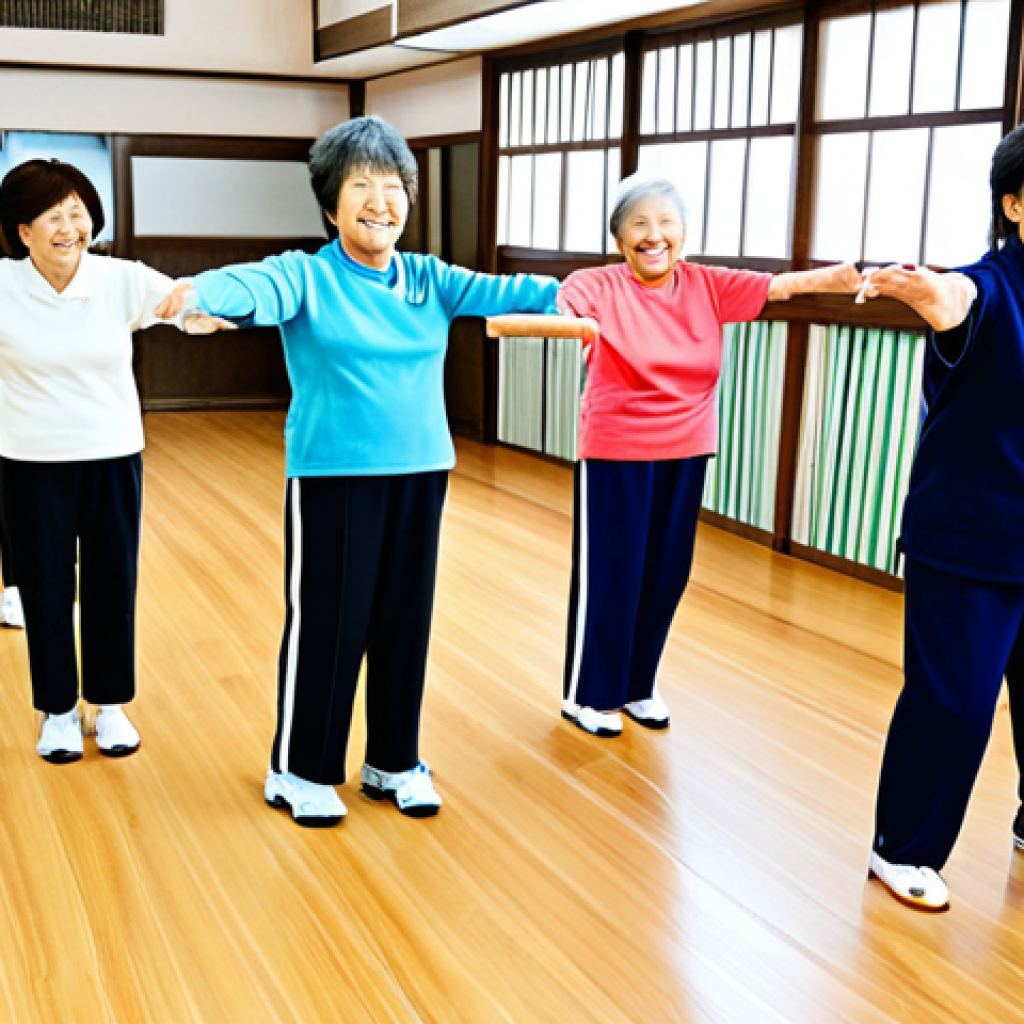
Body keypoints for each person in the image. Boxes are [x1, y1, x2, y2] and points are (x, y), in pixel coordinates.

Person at [156, 115, 561, 828]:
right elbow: (250, 287)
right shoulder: (307, 275)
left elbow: (512, 294)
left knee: (405, 619)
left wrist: (588, 294)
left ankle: (394, 761)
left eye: (394, 185)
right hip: (334, 477)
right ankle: (301, 767)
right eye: (362, 186)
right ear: (331, 203)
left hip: (422, 470)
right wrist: (199, 292)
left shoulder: (429, 278)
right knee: (331, 622)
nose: (381, 201)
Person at [491, 175, 859, 740]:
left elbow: (779, 288)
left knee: (666, 573)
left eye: (665, 222)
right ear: (619, 238)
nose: (653, 235)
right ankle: (589, 694)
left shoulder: (707, 285)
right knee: (612, 573)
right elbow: (568, 304)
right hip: (615, 450)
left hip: (689, 447)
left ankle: (638, 684)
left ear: (683, 233)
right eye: (638, 224)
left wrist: (837, 277)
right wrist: (573, 322)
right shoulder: (600, 283)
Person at [858, 124, 1024, 912]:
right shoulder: (989, 289)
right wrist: (928, 292)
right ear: (1015, 203)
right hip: (971, 540)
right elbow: (957, 299)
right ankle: (903, 849)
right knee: (954, 700)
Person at [0, 159, 213, 764]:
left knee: (111, 581)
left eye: (78, 212)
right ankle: (58, 712)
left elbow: (184, 306)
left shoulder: (121, 278)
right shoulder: (4, 286)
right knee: (43, 586)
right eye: (54, 216)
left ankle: (110, 705)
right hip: (29, 459)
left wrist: (207, 312)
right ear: (23, 231)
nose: (70, 226)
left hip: (112, 455)